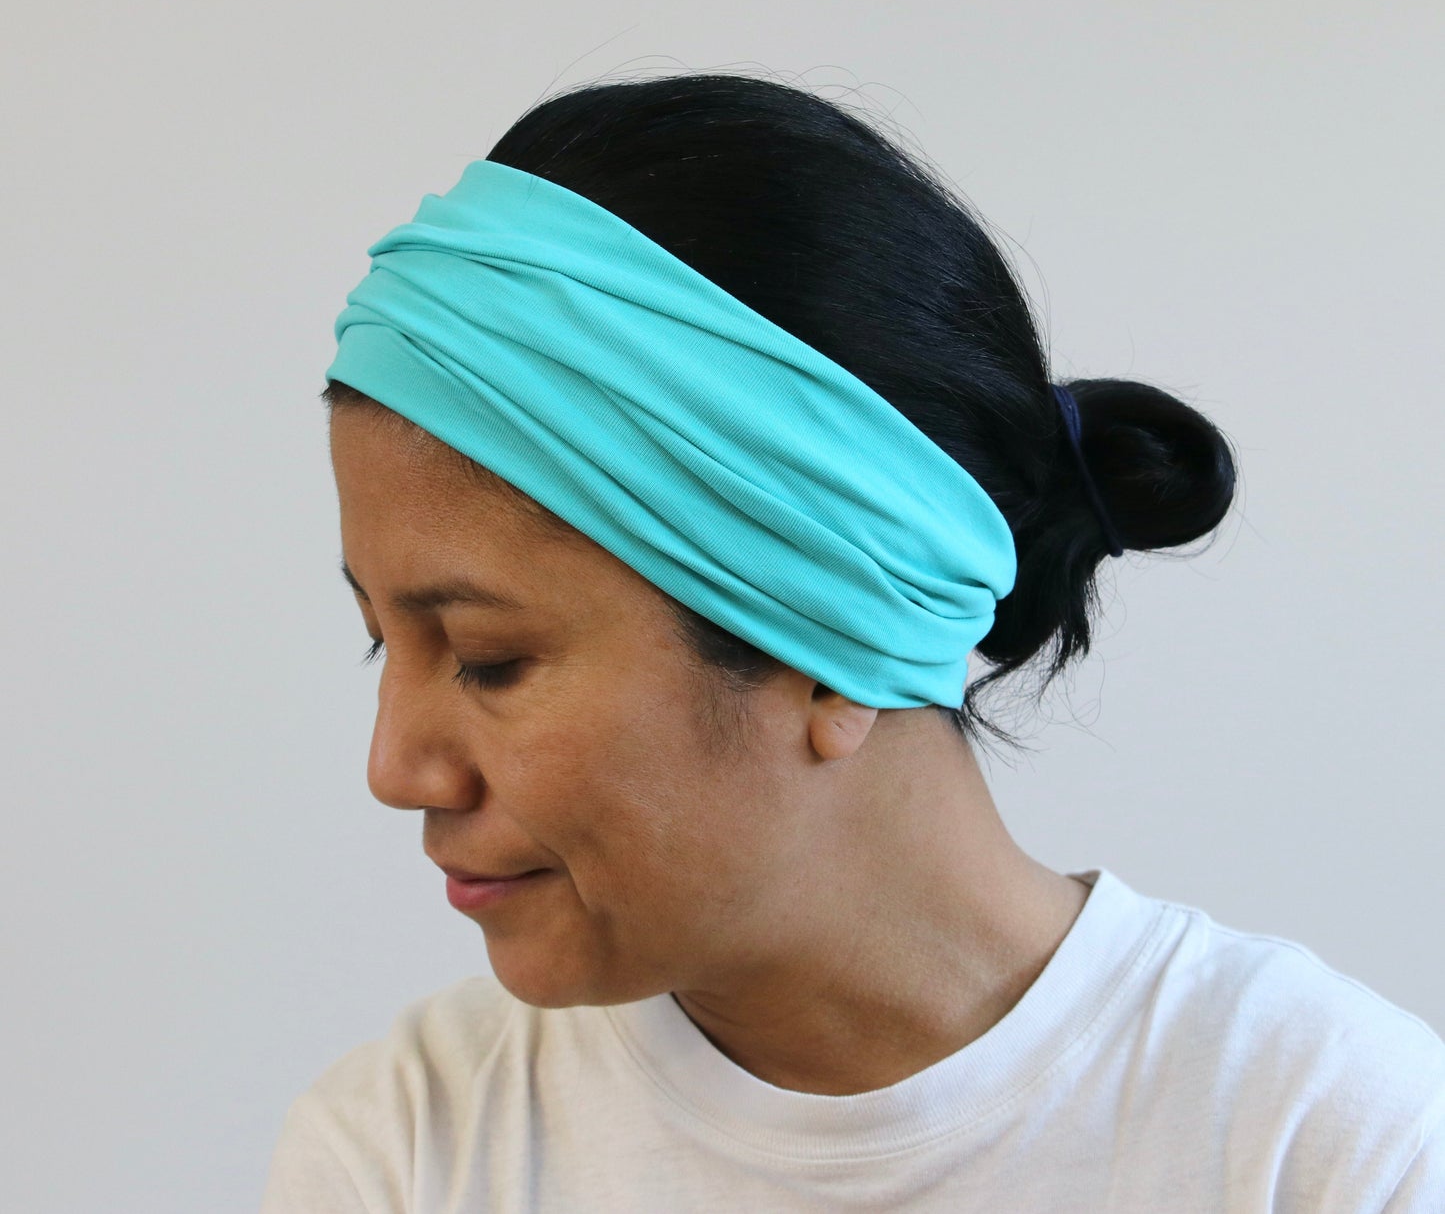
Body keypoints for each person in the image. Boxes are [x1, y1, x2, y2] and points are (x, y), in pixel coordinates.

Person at [261, 71, 1444, 1212]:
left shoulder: (1329, 1145)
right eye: (382, 643)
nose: (397, 768)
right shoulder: (407, 1149)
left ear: (829, 641)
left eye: (487, 657)